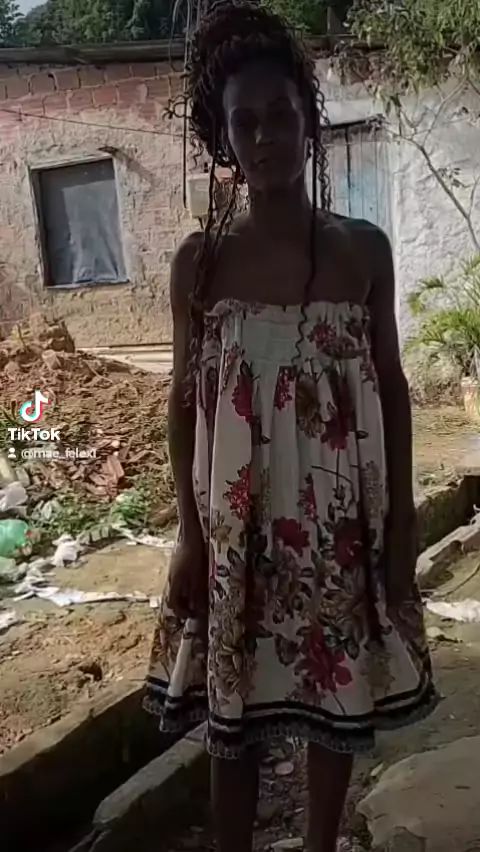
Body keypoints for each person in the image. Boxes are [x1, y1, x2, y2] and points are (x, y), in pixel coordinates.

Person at [145, 3, 438, 850]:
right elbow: (182, 402)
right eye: (245, 122)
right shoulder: (201, 263)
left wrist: (401, 522)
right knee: (232, 716)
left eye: (281, 114)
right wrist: (188, 536)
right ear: (223, 139)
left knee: (333, 698)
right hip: (236, 529)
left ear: (310, 121)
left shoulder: (363, 252)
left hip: (338, 521)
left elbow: (390, 386)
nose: (265, 135)